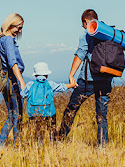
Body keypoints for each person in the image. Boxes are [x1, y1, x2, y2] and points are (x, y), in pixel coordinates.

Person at [58, 9, 113, 148]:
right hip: (106, 80)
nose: (83, 27)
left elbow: (80, 54)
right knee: (102, 116)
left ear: (86, 21)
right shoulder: (109, 34)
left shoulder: (87, 35)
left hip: (88, 80)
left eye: (83, 24)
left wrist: (71, 75)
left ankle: (59, 140)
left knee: (71, 109)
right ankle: (102, 148)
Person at [21, 62, 77, 145]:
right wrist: (72, 85)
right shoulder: (50, 84)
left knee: (37, 131)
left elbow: (22, 94)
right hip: (49, 112)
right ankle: (54, 144)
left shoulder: (30, 84)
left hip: (33, 113)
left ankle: (38, 146)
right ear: (46, 75)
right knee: (52, 129)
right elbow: (61, 87)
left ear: (35, 75)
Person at [0, 13, 26, 150]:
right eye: (18, 28)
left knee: (12, 114)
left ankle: (1, 146)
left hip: (4, 80)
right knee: (17, 115)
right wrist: (21, 81)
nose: (19, 31)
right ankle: (16, 147)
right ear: (11, 25)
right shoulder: (8, 40)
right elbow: (13, 62)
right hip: (12, 80)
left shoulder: (1, 38)